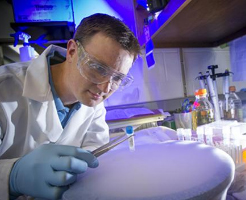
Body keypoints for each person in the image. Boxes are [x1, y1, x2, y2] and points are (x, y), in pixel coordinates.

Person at [0, 13, 141, 199]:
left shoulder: (95, 104)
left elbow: (95, 160)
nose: (105, 88)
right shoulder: (5, 88)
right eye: (99, 68)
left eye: (117, 78)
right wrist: (12, 177)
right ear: (72, 51)